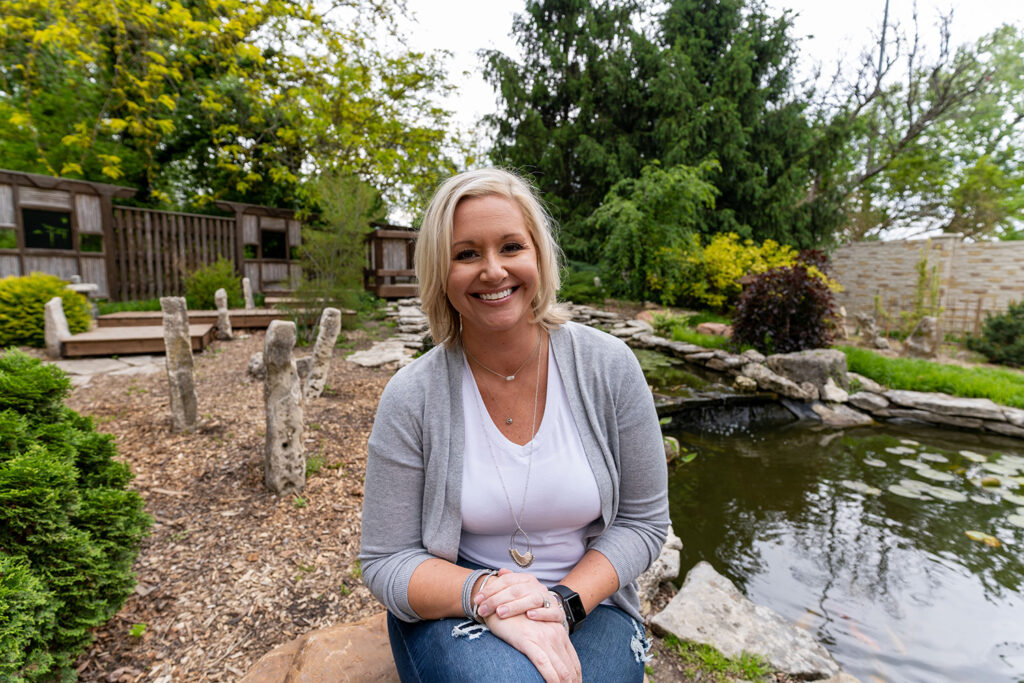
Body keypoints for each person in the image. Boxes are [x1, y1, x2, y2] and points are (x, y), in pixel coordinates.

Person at [359, 167, 669, 683]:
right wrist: (488, 599)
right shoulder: (412, 396)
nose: (493, 270)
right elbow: (387, 558)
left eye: (510, 246)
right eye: (466, 254)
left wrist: (560, 603)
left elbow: (643, 522)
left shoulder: (610, 367)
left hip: (586, 603)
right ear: (441, 271)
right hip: (458, 608)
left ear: (539, 256)